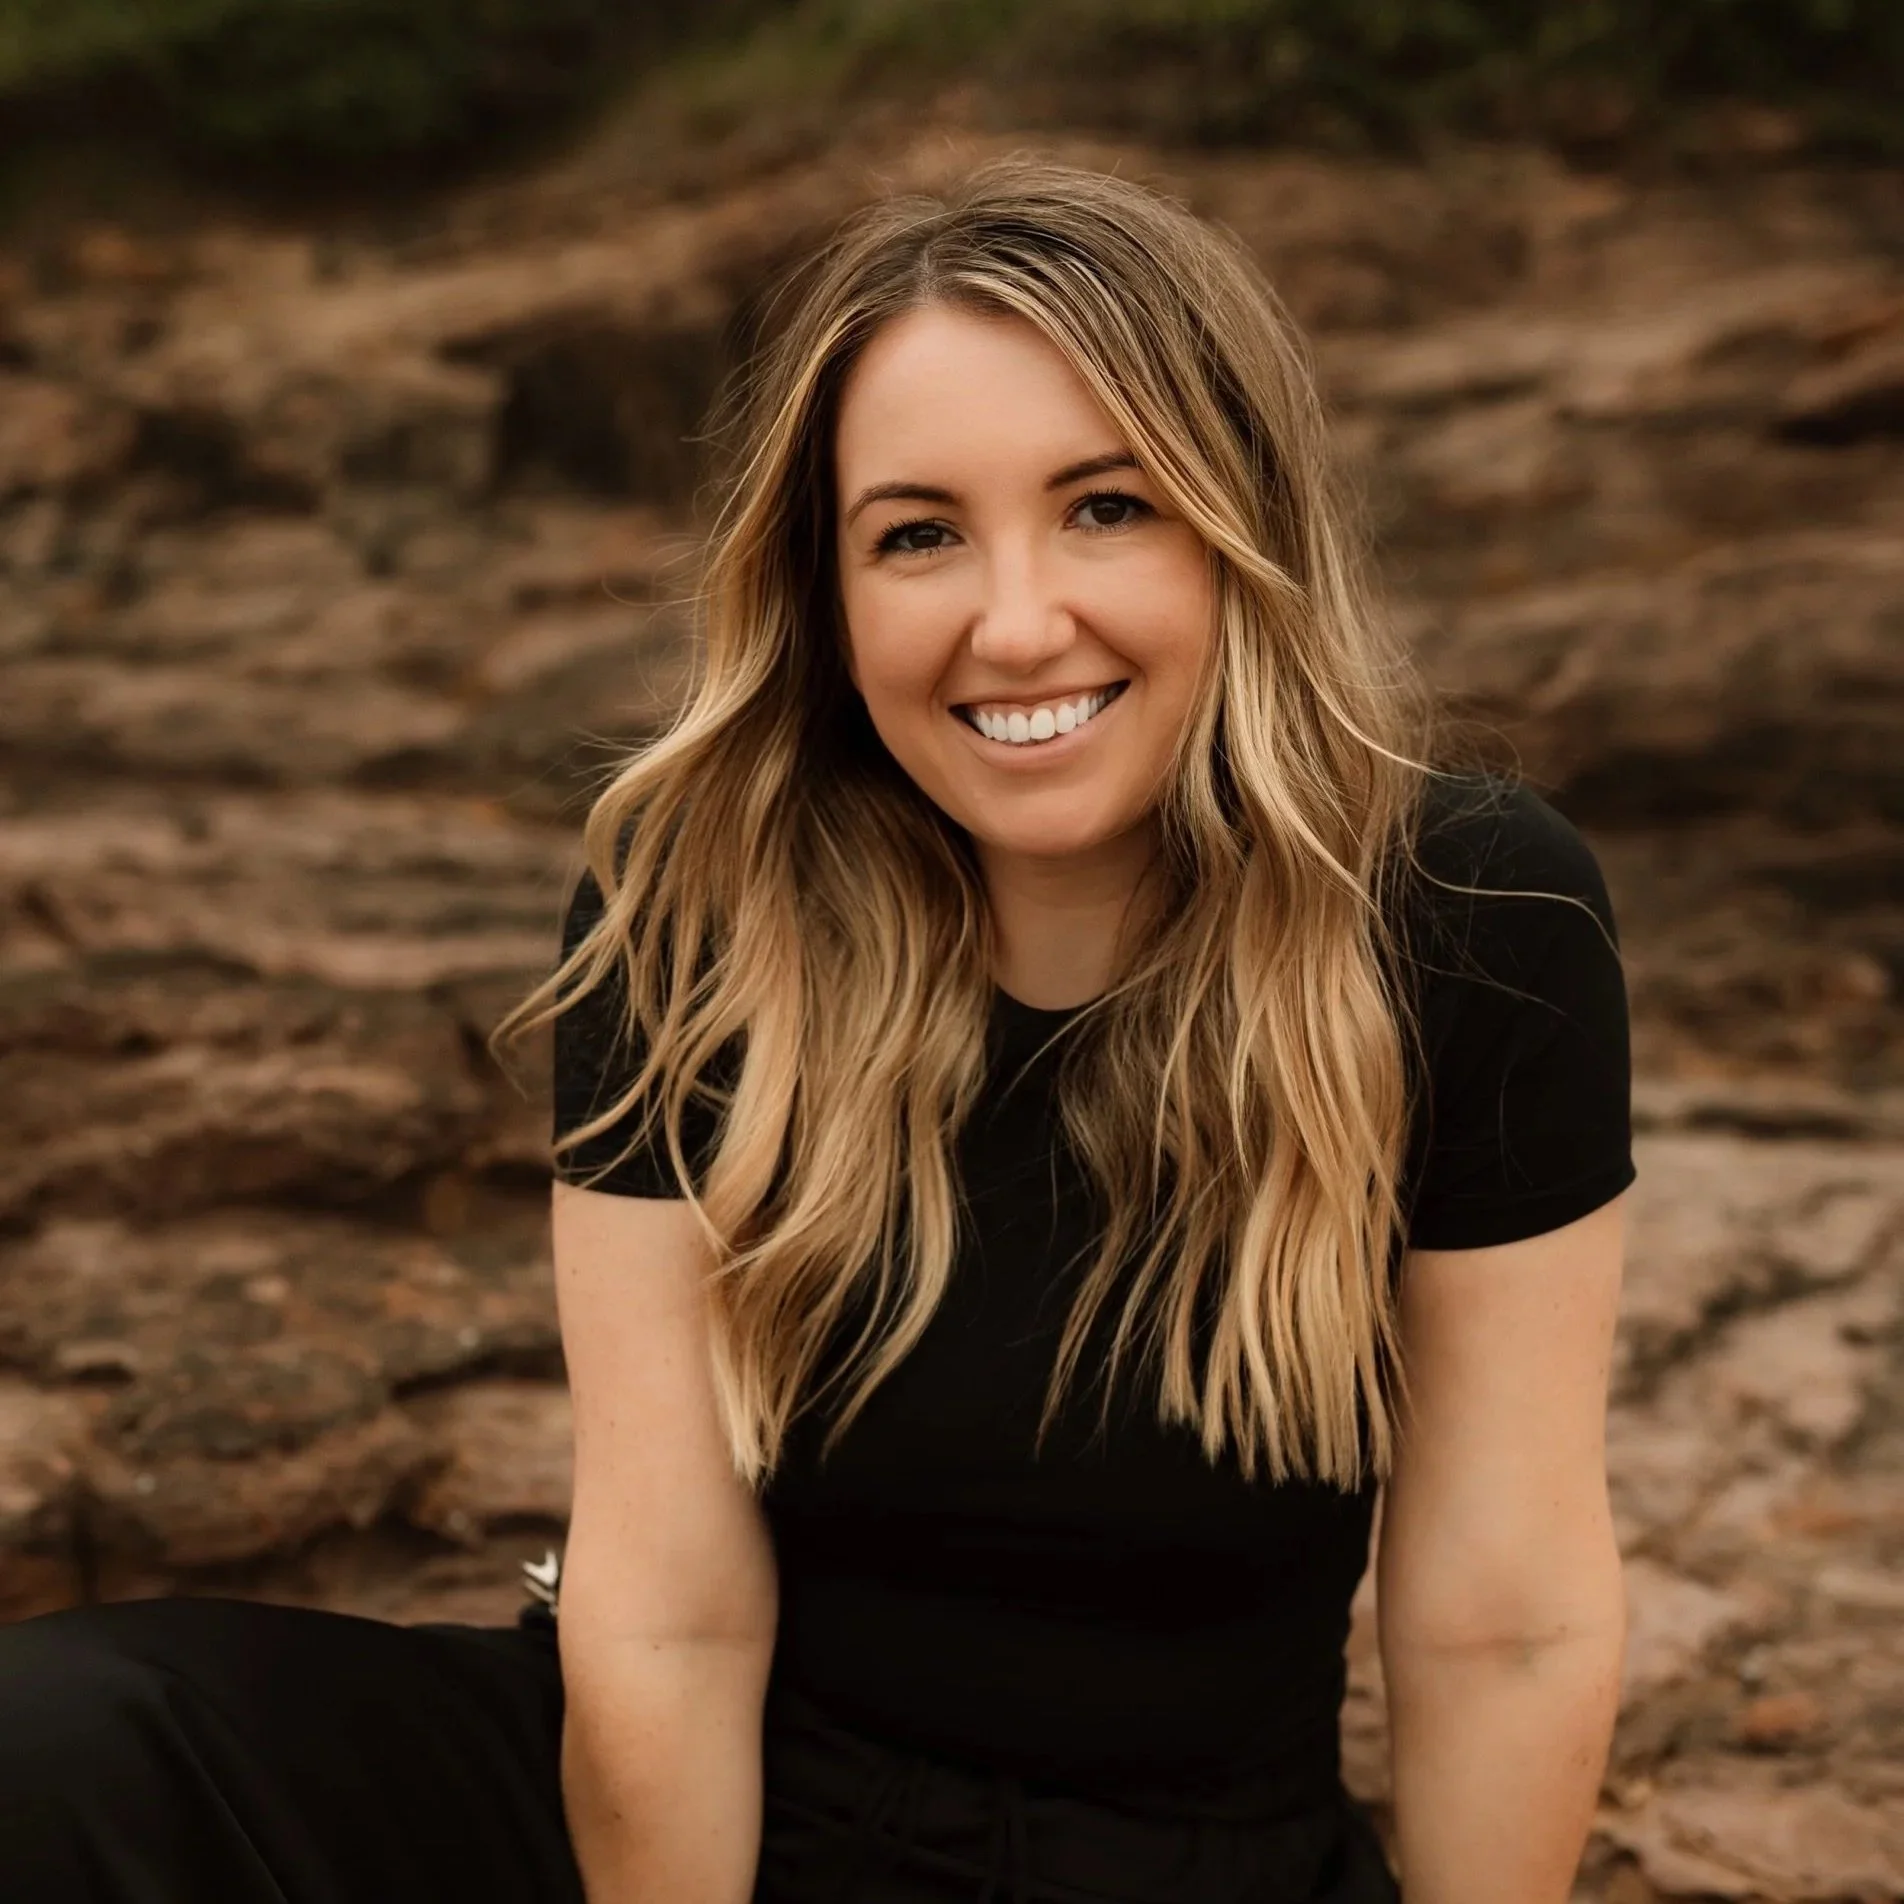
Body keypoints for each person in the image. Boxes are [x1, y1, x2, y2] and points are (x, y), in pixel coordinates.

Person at [0, 159, 1634, 1904]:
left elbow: (1504, 1617)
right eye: (917, 534)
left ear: (1242, 528)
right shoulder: (699, 913)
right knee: (69, 1751)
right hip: (687, 1816)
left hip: (1169, 1864)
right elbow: (673, 1613)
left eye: (1107, 506)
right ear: (832, 599)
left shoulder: (1467, 916)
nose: (1016, 624)